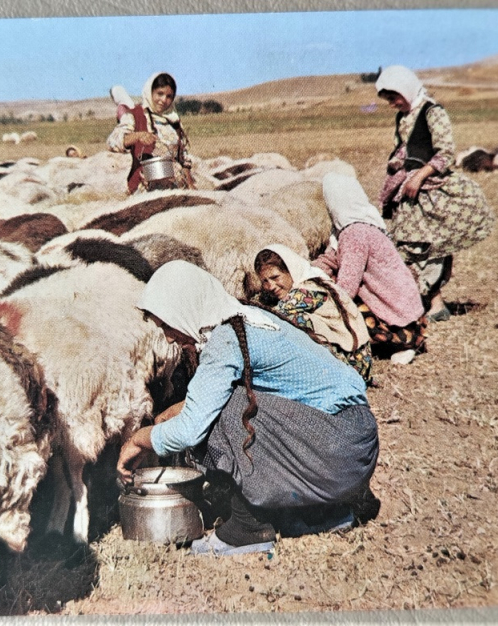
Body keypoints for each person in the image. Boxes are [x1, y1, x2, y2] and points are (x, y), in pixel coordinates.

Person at [117, 261, 378, 556]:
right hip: (353, 447)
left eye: (167, 325)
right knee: (223, 402)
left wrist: (137, 440)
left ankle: (247, 528)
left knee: (227, 410)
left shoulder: (225, 341)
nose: (168, 337)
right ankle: (319, 513)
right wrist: (178, 410)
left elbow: (190, 430)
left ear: (186, 309)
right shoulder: (247, 319)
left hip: (338, 451)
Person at [375, 65, 494, 322]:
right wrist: (398, 165)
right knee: (409, 247)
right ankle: (430, 302)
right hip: (409, 192)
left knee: (429, 246)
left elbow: (446, 152)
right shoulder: (403, 117)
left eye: (394, 97)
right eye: (389, 100)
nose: (392, 104)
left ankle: (434, 304)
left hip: (431, 189)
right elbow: (405, 149)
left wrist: (419, 176)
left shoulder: (432, 112)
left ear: (405, 89)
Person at [313, 173, 427, 365]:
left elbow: (347, 287)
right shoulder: (361, 225)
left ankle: (402, 342)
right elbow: (332, 257)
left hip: (399, 313)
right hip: (404, 305)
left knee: (335, 295)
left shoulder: (354, 234)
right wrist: (304, 270)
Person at [251, 244, 373, 382]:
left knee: (293, 320)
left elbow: (274, 315)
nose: (271, 286)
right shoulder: (300, 286)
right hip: (347, 357)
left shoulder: (308, 290)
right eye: (265, 281)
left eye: (275, 277)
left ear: (290, 270)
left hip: (354, 362)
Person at [107, 73, 195, 194]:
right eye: (160, 94)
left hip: (177, 185)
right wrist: (137, 136)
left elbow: (183, 158)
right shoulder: (136, 115)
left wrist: (189, 184)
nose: (164, 100)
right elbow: (112, 142)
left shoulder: (173, 121)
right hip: (145, 186)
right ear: (150, 92)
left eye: (169, 96)